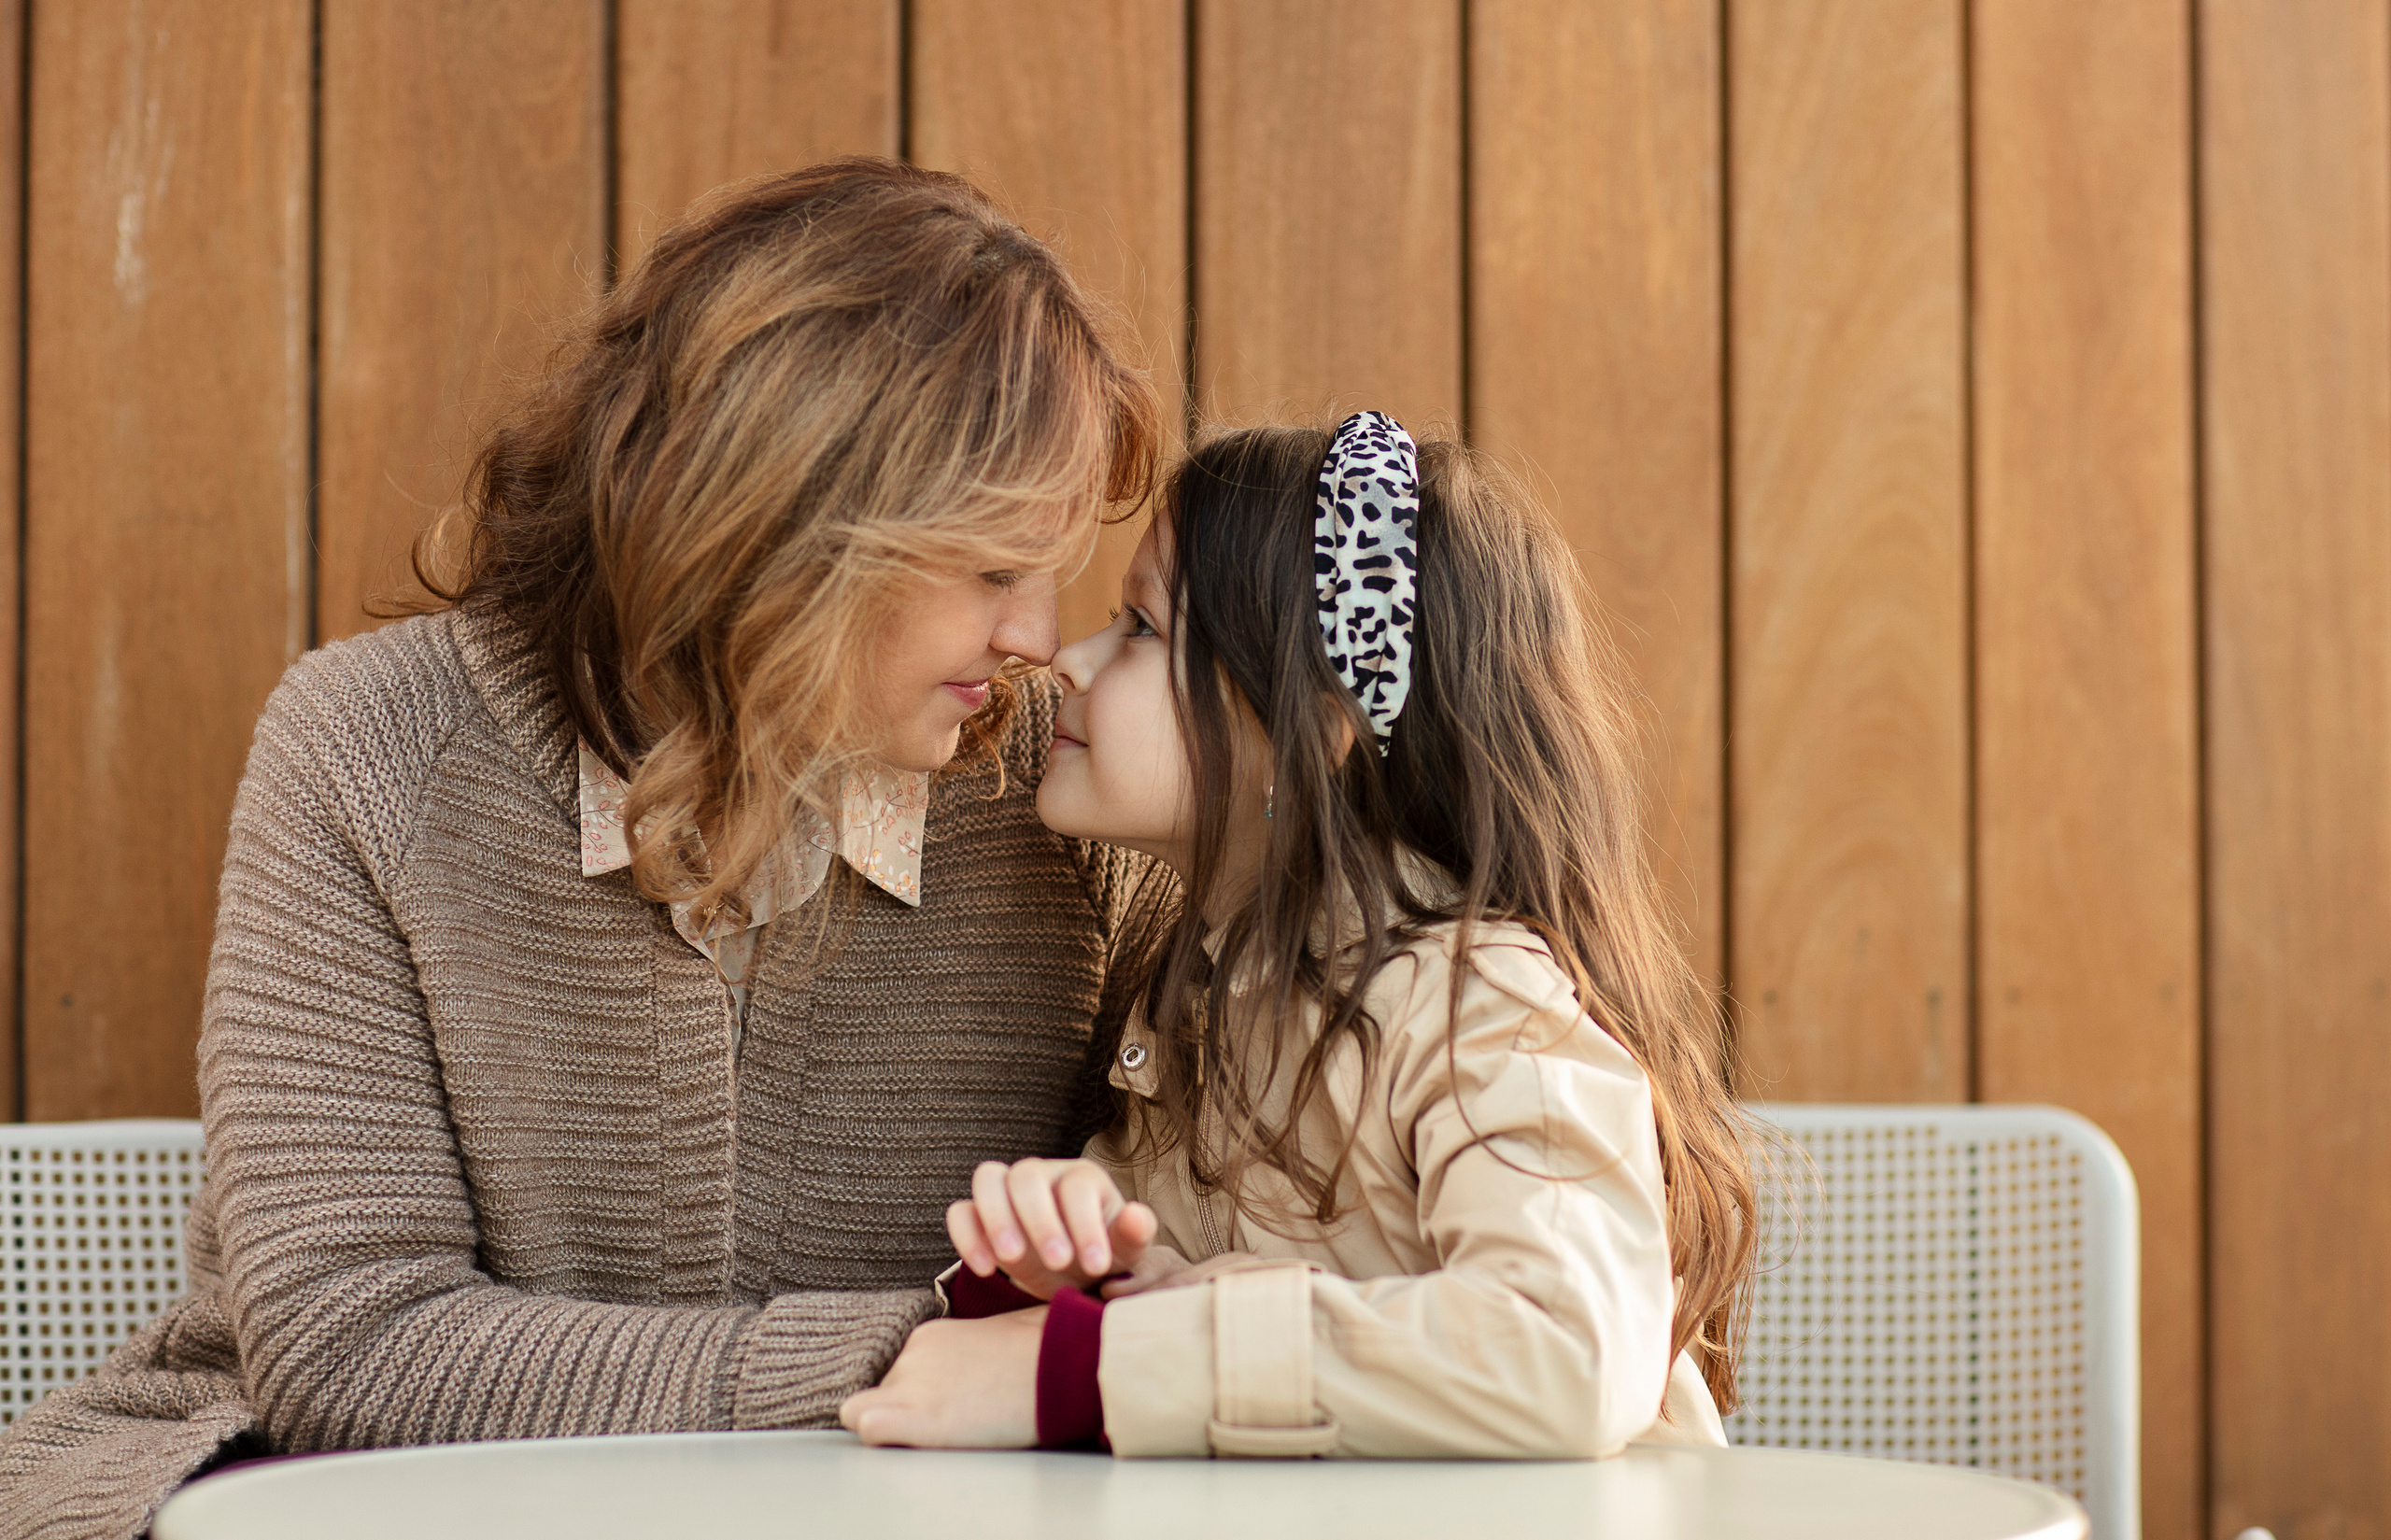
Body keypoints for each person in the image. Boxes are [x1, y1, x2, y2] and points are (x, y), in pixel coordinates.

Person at [0, 159, 1159, 1540]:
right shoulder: (369, 747)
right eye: (988, 570)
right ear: (783, 526)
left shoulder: (1065, 790)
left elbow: (1235, 1230)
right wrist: (920, 1345)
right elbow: (353, 1348)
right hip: (337, 1497)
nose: (1038, 636)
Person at [840, 416, 1759, 1457]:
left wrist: (1099, 1369)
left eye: (1140, 627)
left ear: (1314, 726)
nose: (1069, 658)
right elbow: (1210, 1283)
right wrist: (1079, 1252)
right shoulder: (1204, 999)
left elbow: (1564, 1347)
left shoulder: (1473, 998)